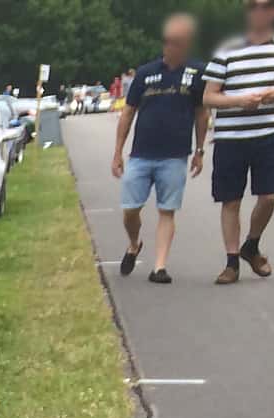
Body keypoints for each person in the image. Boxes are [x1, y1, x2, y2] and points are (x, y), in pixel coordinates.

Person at [112, 12, 211, 283]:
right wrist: (117, 152)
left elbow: (202, 114)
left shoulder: (196, 73)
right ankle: (134, 244)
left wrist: (200, 151)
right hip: (141, 154)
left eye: (178, 42)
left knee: (167, 210)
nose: (172, 46)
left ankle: (159, 267)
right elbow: (127, 113)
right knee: (131, 209)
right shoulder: (145, 74)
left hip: (175, 156)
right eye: (169, 41)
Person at [202, 0, 274, 282]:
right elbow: (208, 96)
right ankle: (232, 262)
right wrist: (238, 100)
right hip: (231, 137)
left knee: (270, 195)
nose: (255, 12)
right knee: (231, 200)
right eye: (250, 6)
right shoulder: (227, 49)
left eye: (262, 6)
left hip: (268, 134)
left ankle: (252, 244)